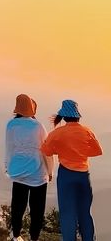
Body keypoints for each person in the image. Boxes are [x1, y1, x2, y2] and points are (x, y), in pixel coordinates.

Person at [40, 99, 103, 241]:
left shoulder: (58, 133)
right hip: (84, 176)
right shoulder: (87, 131)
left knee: (68, 214)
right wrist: (80, 152)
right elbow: (98, 151)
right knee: (85, 213)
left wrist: (60, 150)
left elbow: (46, 151)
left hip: (66, 175)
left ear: (63, 116)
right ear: (77, 115)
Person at [4, 94, 52, 241]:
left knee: (17, 207)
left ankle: (16, 236)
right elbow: (47, 150)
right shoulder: (38, 126)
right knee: (37, 210)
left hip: (18, 172)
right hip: (37, 174)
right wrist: (50, 171)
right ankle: (34, 238)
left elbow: (9, 148)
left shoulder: (11, 125)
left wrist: (7, 166)